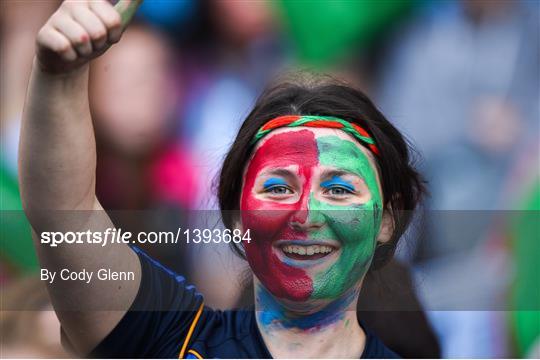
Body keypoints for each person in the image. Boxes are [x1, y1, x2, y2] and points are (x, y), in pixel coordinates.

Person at [19, 0, 425, 358]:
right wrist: (58, 77)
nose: (305, 214)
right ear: (236, 217)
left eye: (338, 189)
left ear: (386, 220)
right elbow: (66, 218)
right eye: (278, 187)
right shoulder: (173, 340)